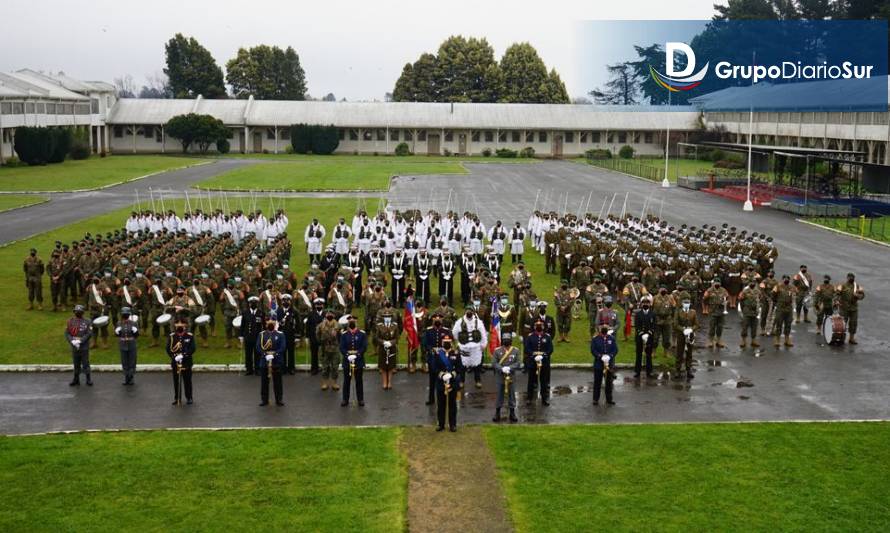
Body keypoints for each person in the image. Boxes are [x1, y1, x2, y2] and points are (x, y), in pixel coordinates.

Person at [431, 334, 464, 432]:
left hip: (452, 382)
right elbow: (434, 367)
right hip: (441, 382)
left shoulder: (456, 353)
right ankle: (441, 424)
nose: (446, 344)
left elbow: (459, 368)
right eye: (445, 342)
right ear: (442, 343)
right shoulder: (437, 353)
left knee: (452, 404)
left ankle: (452, 424)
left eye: (448, 342)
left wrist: (452, 375)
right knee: (440, 404)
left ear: (451, 343)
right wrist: (441, 375)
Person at [452, 307, 487, 389]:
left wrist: (483, 345)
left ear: (473, 313)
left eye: (471, 311)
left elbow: (483, 334)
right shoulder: (460, 322)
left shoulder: (478, 322)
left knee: (477, 365)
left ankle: (477, 381)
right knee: (462, 365)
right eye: (468, 311)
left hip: (476, 347)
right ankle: (461, 381)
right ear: (465, 312)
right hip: (464, 347)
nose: (469, 313)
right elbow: (454, 333)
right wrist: (460, 342)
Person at [491, 332, 521, 423]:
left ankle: (512, 412)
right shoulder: (497, 351)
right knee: (499, 394)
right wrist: (502, 369)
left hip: (511, 376)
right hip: (500, 376)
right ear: (502, 341)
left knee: (512, 394)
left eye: (508, 339)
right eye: (505, 340)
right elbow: (494, 363)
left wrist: (510, 368)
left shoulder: (515, 350)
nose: (506, 341)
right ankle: (497, 412)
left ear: (511, 341)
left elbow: (518, 363)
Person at [340, 315, 368, 407]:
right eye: (350, 321)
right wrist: (348, 355)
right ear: (348, 323)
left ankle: (360, 399)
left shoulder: (362, 334)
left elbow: (364, 347)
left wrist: (356, 355)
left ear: (356, 322)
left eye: (353, 321)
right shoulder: (344, 334)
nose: (351, 322)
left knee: (359, 380)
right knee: (346, 381)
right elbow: (342, 347)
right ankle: (345, 399)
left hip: (358, 361)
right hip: (347, 361)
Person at [524, 319, 553, 406]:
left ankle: (544, 398)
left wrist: (543, 356)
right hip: (533, 362)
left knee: (544, 382)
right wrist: (534, 355)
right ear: (535, 327)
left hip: (544, 362)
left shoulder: (547, 337)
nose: (539, 326)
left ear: (543, 327)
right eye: (537, 325)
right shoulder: (530, 337)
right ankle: (529, 398)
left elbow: (550, 349)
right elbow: (527, 349)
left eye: (541, 325)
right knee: (531, 381)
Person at [422, 312, 449, 405]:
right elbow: (425, 344)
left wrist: (444, 349)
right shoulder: (429, 331)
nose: (437, 320)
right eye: (435, 318)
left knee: (443, 378)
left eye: (439, 318)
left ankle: (443, 398)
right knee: (432, 379)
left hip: (442, 358)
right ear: (432, 320)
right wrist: (431, 349)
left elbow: (449, 342)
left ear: (442, 320)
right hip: (433, 358)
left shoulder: (446, 331)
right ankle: (431, 399)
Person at [257, 317, 286, 406]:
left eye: (272, 322)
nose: (270, 324)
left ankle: (279, 399)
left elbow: (283, 347)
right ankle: (264, 400)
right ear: (266, 324)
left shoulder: (280, 334)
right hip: (264, 360)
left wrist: (274, 354)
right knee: (264, 382)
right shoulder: (261, 335)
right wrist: (265, 355)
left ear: (275, 324)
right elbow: (258, 347)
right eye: (268, 322)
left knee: (278, 382)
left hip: (276, 361)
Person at [166, 318, 195, 405]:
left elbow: (192, 348)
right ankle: (177, 398)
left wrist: (184, 355)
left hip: (186, 362)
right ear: (174, 325)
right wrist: (174, 356)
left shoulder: (189, 336)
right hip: (176, 362)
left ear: (185, 325)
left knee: (187, 381)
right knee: (176, 381)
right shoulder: (172, 336)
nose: (180, 325)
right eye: (177, 323)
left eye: (182, 323)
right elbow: (168, 348)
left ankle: (189, 397)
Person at [65, 304, 93, 386]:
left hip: (84, 345)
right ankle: (76, 379)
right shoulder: (70, 321)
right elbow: (67, 333)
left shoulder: (87, 321)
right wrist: (72, 341)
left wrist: (81, 341)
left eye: (79, 311)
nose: (78, 313)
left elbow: (89, 333)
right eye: (76, 311)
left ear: (82, 312)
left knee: (85, 363)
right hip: (74, 345)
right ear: (74, 312)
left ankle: (88, 379)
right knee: (76, 363)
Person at [590, 326, 617, 406]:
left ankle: (609, 399)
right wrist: (600, 356)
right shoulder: (595, 339)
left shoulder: (611, 338)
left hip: (609, 363)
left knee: (609, 382)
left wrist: (610, 356)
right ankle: (595, 399)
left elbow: (615, 349)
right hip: (599, 364)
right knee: (597, 382)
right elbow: (593, 350)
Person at [673, 298, 699, 380]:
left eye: (688, 303)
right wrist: (683, 330)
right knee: (679, 352)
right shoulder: (678, 312)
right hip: (681, 334)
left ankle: (688, 369)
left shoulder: (693, 312)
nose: (686, 304)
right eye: (685, 303)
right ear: (682, 303)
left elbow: (697, 324)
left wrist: (691, 329)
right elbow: (675, 324)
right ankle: (678, 369)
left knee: (689, 353)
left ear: (690, 303)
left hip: (690, 335)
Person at [375, 310, 401, 390]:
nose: (387, 318)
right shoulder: (379, 326)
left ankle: (389, 382)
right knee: (383, 366)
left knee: (390, 366)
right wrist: (383, 342)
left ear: (391, 318)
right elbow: (377, 337)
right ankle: (384, 382)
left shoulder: (395, 326)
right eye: (385, 317)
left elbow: (397, 338)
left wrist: (391, 342)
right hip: (382, 348)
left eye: (389, 317)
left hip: (391, 348)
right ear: (383, 318)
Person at [239, 296, 265, 374]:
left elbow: (263, 325)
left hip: (258, 337)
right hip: (248, 336)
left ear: (257, 304)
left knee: (258, 354)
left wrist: (265, 335)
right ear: (249, 304)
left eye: (255, 303)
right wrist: (241, 336)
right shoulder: (245, 312)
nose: (253, 304)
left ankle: (257, 369)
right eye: (251, 303)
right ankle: (249, 369)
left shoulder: (261, 313)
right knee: (248, 354)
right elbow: (242, 325)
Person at [837, 273, 865, 345]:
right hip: (844, 308)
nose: (851, 278)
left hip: (853, 308)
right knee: (843, 324)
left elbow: (862, 296)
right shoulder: (842, 286)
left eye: (852, 277)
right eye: (850, 277)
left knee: (853, 323)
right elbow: (836, 294)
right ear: (847, 278)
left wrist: (858, 295)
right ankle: (841, 338)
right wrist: (836, 300)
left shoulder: (857, 286)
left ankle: (851, 338)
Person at [316, 311, 341, 391]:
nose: (329, 315)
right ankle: (325, 383)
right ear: (325, 315)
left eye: (331, 314)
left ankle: (334, 383)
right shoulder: (321, 325)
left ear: (334, 315)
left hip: (335, 348)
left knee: (335, 367)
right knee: (325, 367)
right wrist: (321, 342)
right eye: (328, 314)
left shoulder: (338, 325)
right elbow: (317, 335)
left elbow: (341, 336)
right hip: (325, 348)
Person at [114, 306, 139, 385]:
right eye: (124, 314)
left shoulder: (134, 323)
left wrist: (135, 331)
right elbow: (117, 335)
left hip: (131, 344)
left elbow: (137, 335)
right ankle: (126, 378)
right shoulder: (119, 323)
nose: (125, 315)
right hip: (123, 344)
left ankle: (131, 377)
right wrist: (117, 332)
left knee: (132, 361)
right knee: (124, 361)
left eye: (126, 314)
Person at [276, 294, 300, 375]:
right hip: (281, 335)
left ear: (290, 301)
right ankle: (283, 368)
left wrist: (297, 336)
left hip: (291, 334)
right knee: (282, 352)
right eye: (284, 300)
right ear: (282, 301)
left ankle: (291, 368)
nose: (286, 302)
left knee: (291, 352)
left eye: (287, 300)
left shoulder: (294, 311)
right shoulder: (278, 311)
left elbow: (298, 324)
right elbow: (276, 323)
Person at [633, 297, 656, 379]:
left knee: (648, 355)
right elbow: (637, 326)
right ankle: (637, 371)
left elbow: (654, 326)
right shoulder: (638, 314)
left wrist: (649, 333)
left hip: (649, 337)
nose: (645, 304)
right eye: (644, 303)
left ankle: (649, 371)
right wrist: (642, 334)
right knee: (638, 354)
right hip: (640, 337)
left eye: (647, 303)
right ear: (641, 304)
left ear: (650, 304)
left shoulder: (652, 314)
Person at [702, 280, 729, 349]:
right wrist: (706, 301)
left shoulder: (723, 290)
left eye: (718, 283)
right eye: (715, 283)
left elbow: (727, 298)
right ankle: (710, 341)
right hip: (713, 311)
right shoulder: (709, 290)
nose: (717, 284)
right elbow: (704, 299)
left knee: (720, 327)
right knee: (712, 326)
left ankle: (718, 340)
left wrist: (725, 302)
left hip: (721, 311)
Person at [772, 275, 796, 348]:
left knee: (788, 324)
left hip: (789, 309)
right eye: (785, 279)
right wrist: (777, 303)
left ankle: (787, 339)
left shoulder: (792, 287)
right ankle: (777, 340)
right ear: (782, 279)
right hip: (780, 308)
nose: (786, 280)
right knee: (779, 324)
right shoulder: (778, 287)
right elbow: (773, 295)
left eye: (788, 279)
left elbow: (795, 294)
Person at [305, 298, 326, 374]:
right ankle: (314, 368)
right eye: (317, 305)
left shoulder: (326, 314)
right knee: (314, 353)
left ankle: (325, 368)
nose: (319, 306)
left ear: (323, 305)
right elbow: (308, 326)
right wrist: (307, 337)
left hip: (324, 337)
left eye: (320, 305)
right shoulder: (311, 314)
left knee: (324, 353)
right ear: (315, 305)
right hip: (313, 337)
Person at [738, 281, 761, 348]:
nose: (752, 284)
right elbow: (741, 300)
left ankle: (753, 340)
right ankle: (743, 341)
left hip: (754, 312)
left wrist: (758, 309)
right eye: (751, 283)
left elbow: (759, 300)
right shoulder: (745, 291)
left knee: (754, 327)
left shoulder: (757, 291)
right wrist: (744, 309)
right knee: (745, 326)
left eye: (754, 283)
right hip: (747, 311)